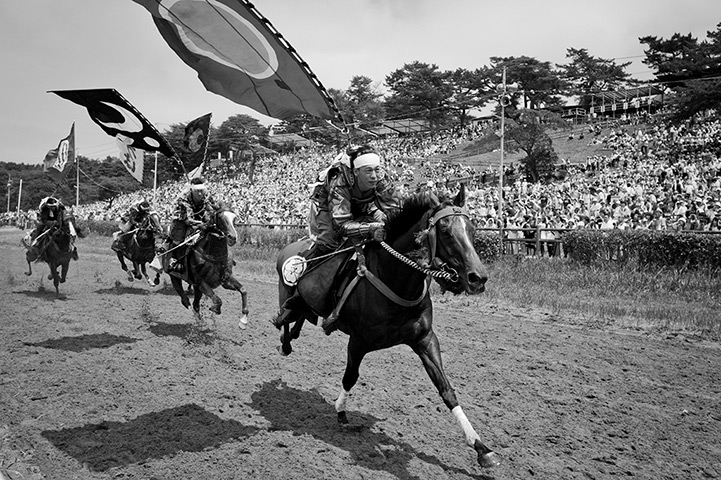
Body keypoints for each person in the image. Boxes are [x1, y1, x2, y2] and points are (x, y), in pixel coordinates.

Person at [277, 145, 403, 333]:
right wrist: (370, 229)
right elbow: (341, 225)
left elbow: (396, 210)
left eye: (377, 170)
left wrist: (388, 221)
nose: (375, 176)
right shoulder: (340, 182)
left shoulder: (381, 178)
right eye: (368, 171)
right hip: (329, 208)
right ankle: (299, 292)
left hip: (362, 205)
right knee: (329, 241)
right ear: (357, 171)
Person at [157, 177, 220, 273]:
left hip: (199, 214)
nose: (200, 194)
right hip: (182, 218)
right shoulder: (183, 199)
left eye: (201, 191)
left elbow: (212, 208)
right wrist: (201, 224)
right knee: (178, 238)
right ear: (191, 190)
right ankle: (173, 258)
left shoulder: (206, 195)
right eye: (197, 191)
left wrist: (212, 216)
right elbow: (188, 219)